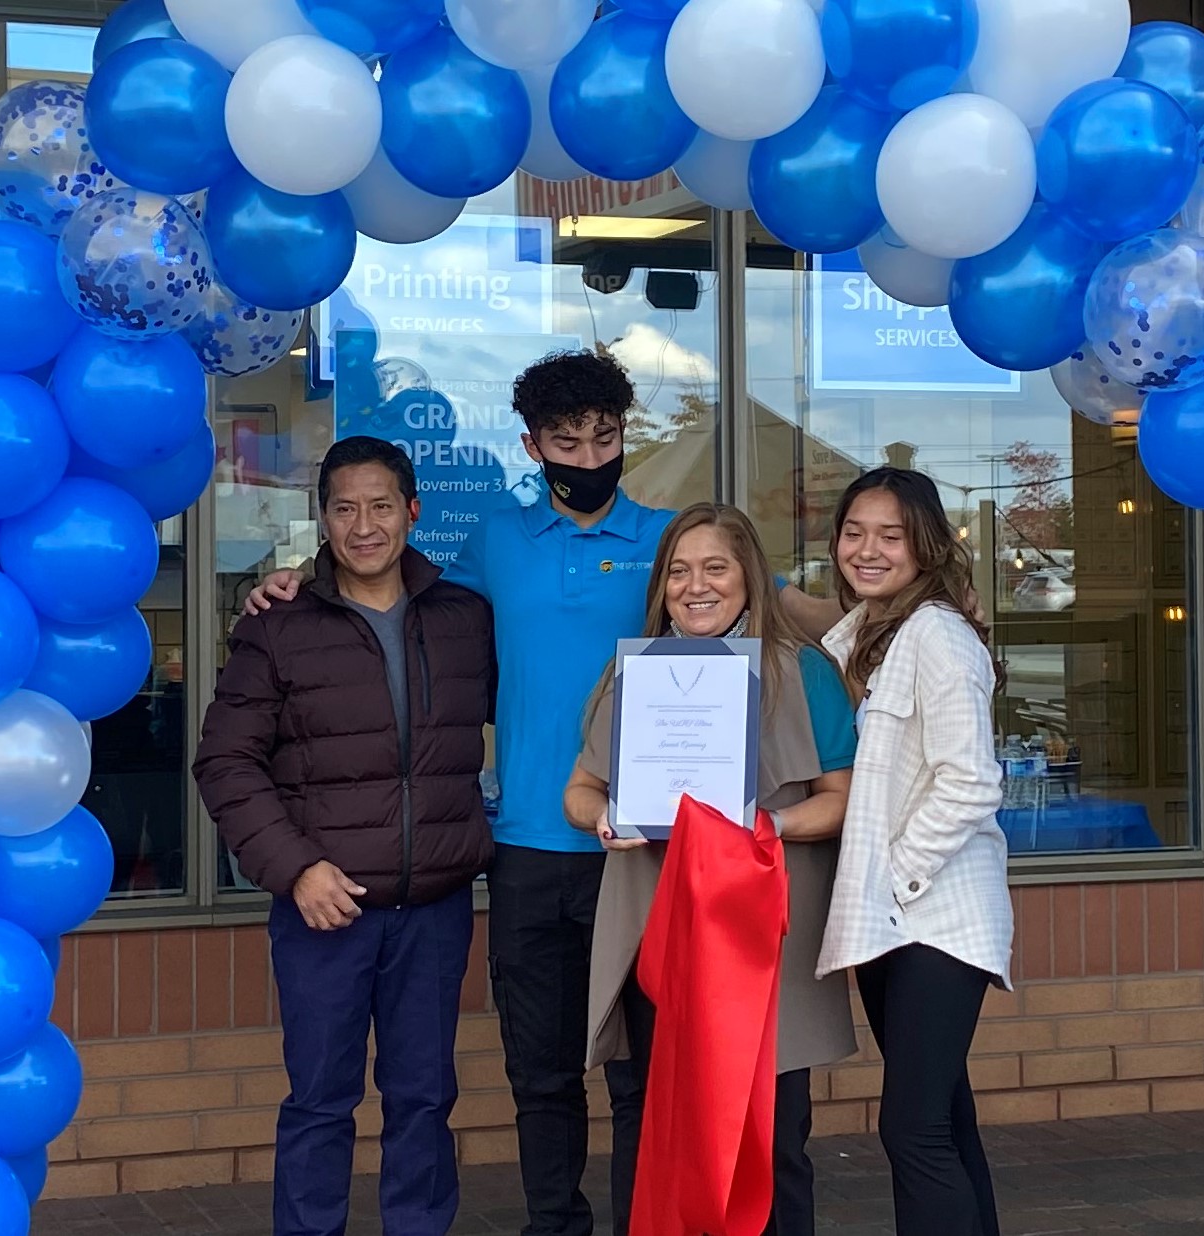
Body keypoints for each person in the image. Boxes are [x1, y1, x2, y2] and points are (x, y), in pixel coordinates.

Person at [245, 351, 844, 1236]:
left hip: (650, 857)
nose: (587, 456)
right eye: (565, 440)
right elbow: (395, 594)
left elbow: (793, 611)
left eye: (604, 438)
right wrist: (293, 577)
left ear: (623, 438)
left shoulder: (674, 544)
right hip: (530, 845)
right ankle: (553, 1224)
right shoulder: (495, 541)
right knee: (542, 1072)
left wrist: (908, 616)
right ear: (532, 446)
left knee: (645, 1075)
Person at [194, 436, 496, 1236]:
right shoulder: (280, 625)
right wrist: (296, 871)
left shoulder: (465, 619)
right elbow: (224, 760)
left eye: (382, 505)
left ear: (412, 512)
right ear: (321, 519)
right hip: (325, 910)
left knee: (425, 1101)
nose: (365, 525)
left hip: (434, 908)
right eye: (345, 508)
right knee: (321, 1103)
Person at [562, 504, 857, 1235]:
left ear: (748, 577)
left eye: (714, 568)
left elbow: (841, 801)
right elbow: (579, 788)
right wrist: (599, 818)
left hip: (758, 944)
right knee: (649, 1124)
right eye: (679, 572)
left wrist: (767, 827)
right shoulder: (633, 670)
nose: (696, 587)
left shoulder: (802, 673)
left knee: (769, 1135)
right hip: (654, 936)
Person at [815, 467, 1011, 1236]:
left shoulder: (938, 636)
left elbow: (971, 783)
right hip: (892, 922)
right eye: (854, 532)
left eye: (890, 536)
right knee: (944, 1120)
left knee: (912, 1129)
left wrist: (892, 879)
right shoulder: (864, 633)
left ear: (924, 545)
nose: (867, 549)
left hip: (935, 918)